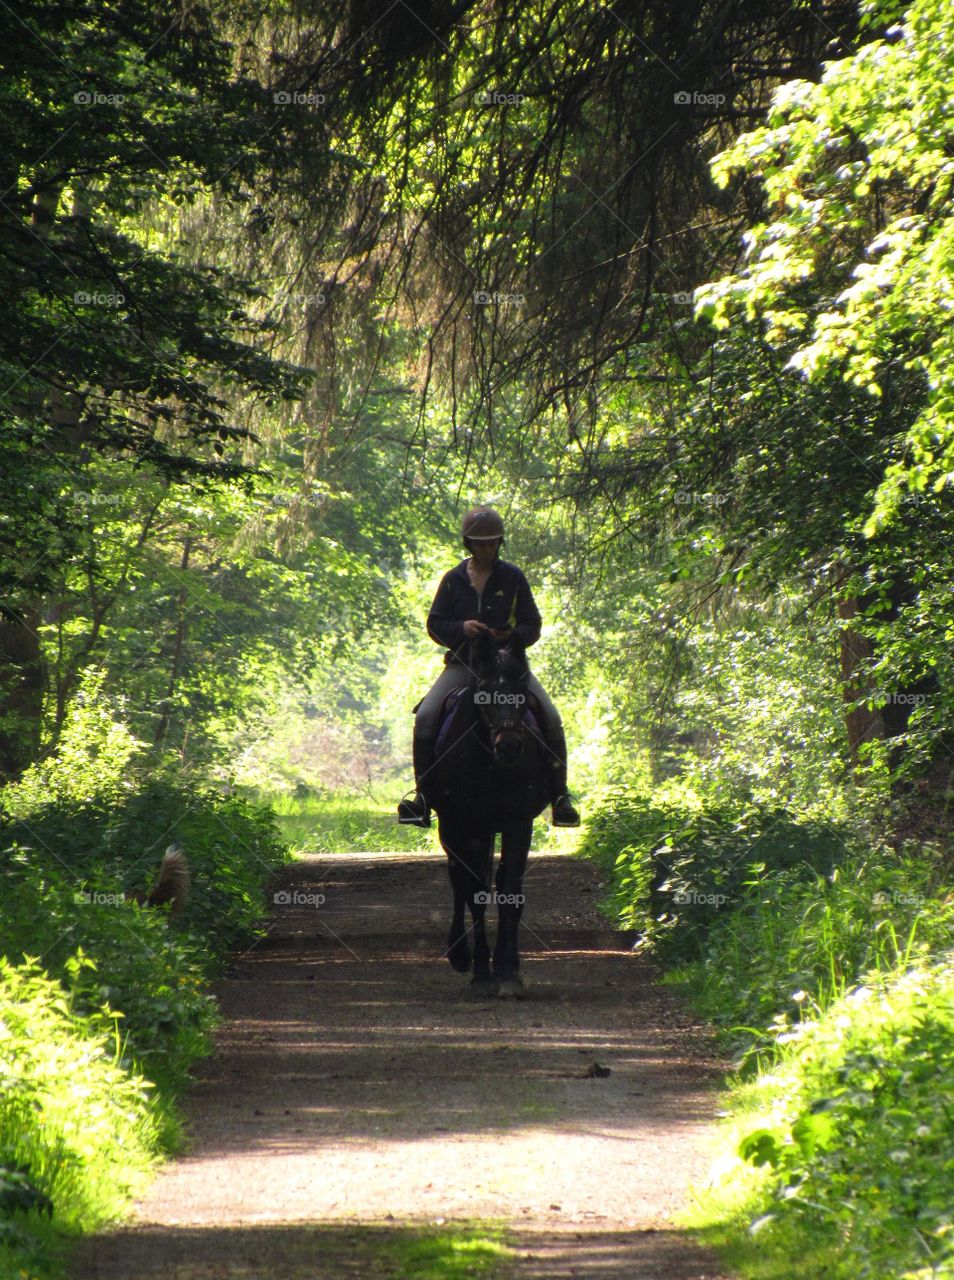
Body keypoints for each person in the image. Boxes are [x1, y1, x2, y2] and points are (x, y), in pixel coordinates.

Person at [397, 505, 580, 829]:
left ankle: (560, 797)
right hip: (463, 665)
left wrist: (512, 635)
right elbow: (435, 624)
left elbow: (533, 624)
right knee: (426, 715)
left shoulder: (513, 577)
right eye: (481, 543)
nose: (487, 549)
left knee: (550, 715)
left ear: (499, 543)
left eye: (492, 542)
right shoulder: (453, 580)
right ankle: (422, 797)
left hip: (507, 668)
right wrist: (461, 629)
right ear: (469, 545)